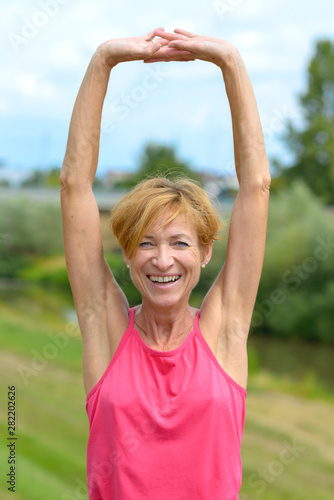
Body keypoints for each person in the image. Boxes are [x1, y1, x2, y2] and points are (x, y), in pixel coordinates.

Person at [60, 27, 271, 500]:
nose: (162, 259)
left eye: (179, 243)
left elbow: (256, 186)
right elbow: (75, 186)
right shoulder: (106, 329)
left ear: (205, 253)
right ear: (129, 255)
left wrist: (230, 62)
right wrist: (103, 60)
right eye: (147, 243)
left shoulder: (224, 330)